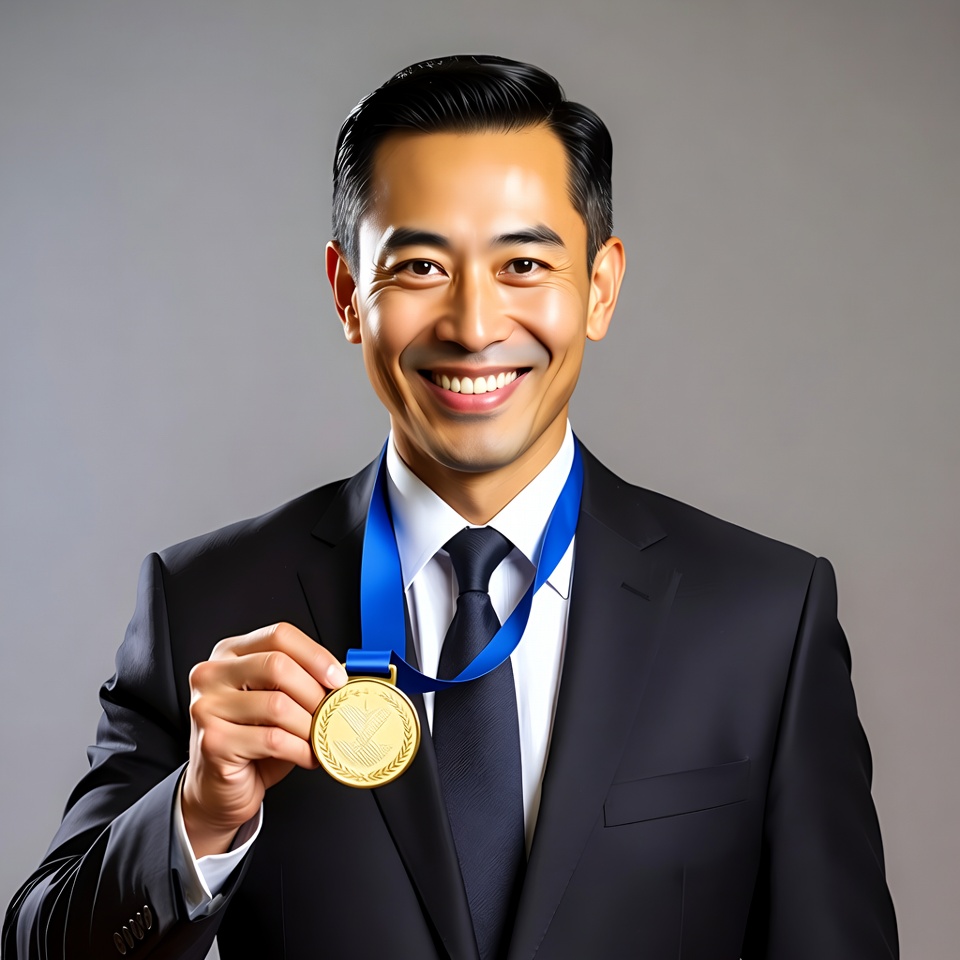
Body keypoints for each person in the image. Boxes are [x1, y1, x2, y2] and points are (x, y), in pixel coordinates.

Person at [3, 55, 898, 960]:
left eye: (523, 262)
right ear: (350, 293)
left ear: (600, 286)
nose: (474, 324)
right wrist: (194, 817)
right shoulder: (204, 603)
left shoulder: (763, 618)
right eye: (421, 265)